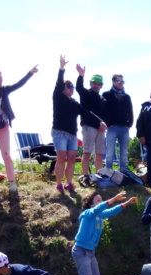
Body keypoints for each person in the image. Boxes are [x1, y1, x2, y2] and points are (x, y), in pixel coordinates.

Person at [72, 191, 137, 275]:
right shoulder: (87, 214)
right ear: (91, 204)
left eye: (101, 199)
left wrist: (127, 203)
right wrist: (113, 198)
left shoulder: (100, 216)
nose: (101, 202)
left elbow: (111, 211)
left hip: (90, 252)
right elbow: (100, 208)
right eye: (97, 200)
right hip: (81, 251)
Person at [0, 64, 38, 192]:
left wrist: (30, 73)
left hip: (2, 125)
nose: (0, 79)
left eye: (1, 77)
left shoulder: (5, 90)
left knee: (6, 155)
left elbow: (19, 84)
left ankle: (12, 183)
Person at [53, 55, 107, 192]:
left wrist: (100, 121)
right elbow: (59, 83)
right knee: (61, 158)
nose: (71, 88)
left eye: (72, 86)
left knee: (71, 159)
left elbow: (86, 111)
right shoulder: (58, 97)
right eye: (68, 86)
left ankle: (69, 183)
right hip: (59, 132)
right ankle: (59, 184)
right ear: (62, 88)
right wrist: (61, 68)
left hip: (72, 134)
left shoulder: (74, 102)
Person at [75, 65, 107, 185]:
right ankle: (86, 176)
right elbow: (78, 87)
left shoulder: (102, 99)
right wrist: (81, 75)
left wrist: (104, 124)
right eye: (94, 83)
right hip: (88, 126)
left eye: (98, 84)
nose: (96, 85)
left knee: (99, 153)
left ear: (101, 85)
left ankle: (98, 176)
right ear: (90, 83)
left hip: (100, 129)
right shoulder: (85, 94)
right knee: (87, 152)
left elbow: (105, 115)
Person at [103, 74, 133, 171]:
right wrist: (108, 123)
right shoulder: (106, 95)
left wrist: (129, 124)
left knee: (124, 153)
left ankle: (123, 173)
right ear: (113, 82)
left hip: (124, 128)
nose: (121, 83)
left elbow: (130, 111)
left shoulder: (127, 97)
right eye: (118, 81)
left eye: (122, 81)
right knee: (110, 152)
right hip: (112, 127)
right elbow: (103, 110)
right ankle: (108, 172)